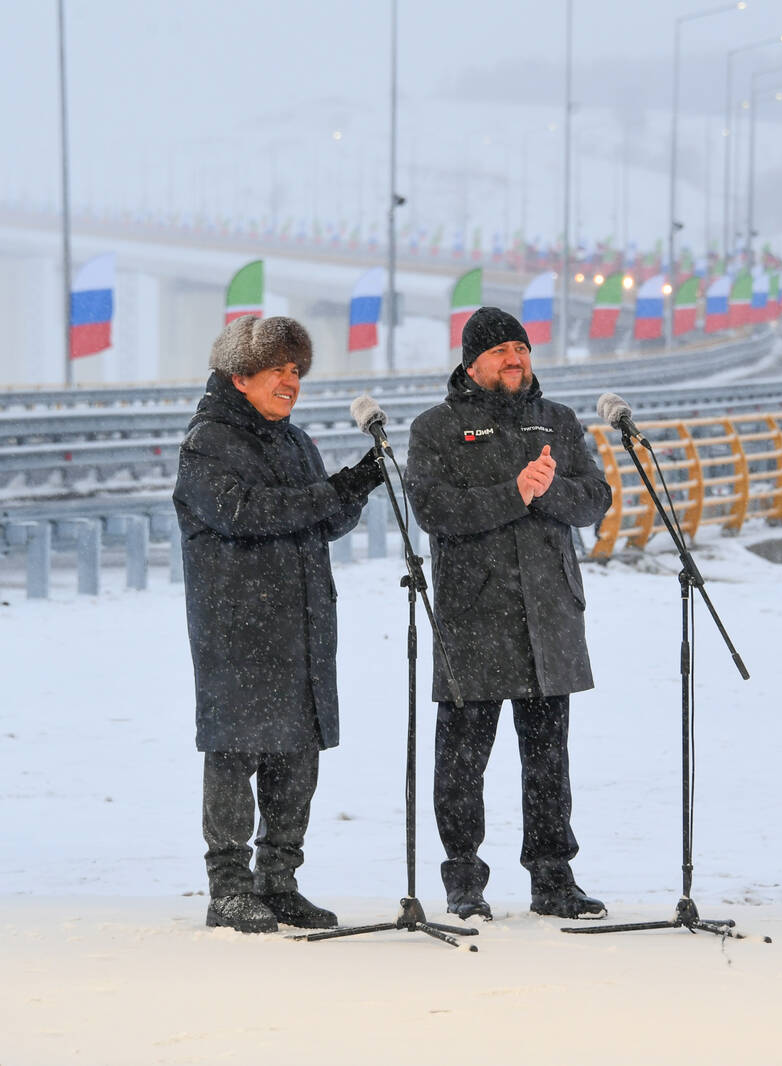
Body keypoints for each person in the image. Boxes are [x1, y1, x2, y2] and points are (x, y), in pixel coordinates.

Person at [173, 315, 383, 934]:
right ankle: (230, 890)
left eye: (297, 371)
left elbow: (318, 523)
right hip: (237, 627)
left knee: (297, 756)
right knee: (236, 751)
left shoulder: (296, 442)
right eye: (278, 370)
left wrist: (359, 485)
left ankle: (279, 882)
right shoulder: (208, 443)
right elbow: (244, 513)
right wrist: (332, 491)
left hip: (303, 622)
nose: (291, 382)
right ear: (241, 377)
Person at [406, 306, 614, 921]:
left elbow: (594, 500)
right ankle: (463, 879)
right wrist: (514, 493)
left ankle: (553, 878)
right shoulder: (436, 429)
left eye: (521, 348)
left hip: (549, 615)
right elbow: (435, 510)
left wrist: (551, 489)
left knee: (549, 758)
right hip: (475, 617)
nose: (515, 358)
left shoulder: (558, 422)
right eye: (500, 351)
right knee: (463, 759)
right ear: (472, 362)